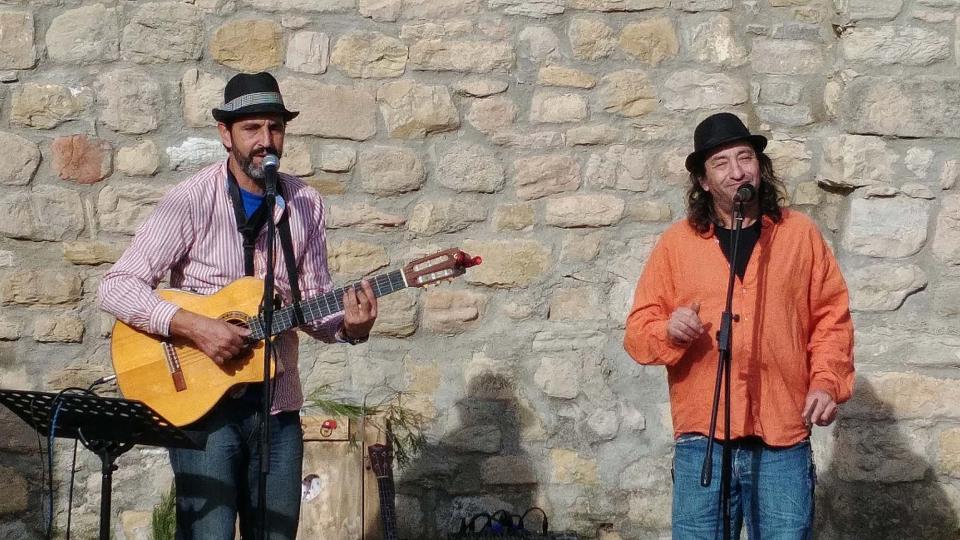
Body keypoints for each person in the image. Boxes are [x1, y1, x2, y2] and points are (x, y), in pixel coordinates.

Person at [98, 72, 378, 539]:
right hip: (203, 411)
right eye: (252, 129)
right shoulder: (191, 200)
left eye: (275, 128)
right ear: (225, 134)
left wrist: (351, 326)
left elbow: (313, 305)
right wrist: (194, 326)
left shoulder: (305, 203)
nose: (266, 141)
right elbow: (117, 285)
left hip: (278, 406)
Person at [623, 112, 854, 539]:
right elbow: (638, 332)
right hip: (703, 439)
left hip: (782, 434)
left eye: (744, 157)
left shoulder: (799, 235)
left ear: (759, 168)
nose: (737, 171)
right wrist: (669, 331)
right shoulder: (677, 244)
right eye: (721, 163)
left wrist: (825, 381)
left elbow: (831, 320)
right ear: (704, 182)